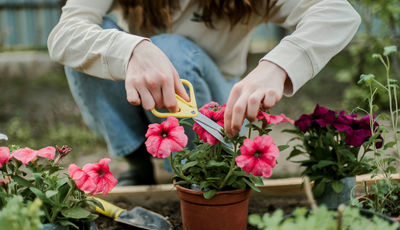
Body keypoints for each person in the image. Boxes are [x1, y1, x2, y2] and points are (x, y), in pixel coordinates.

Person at [48, 0, 361, 185]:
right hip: (140, 92)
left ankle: (191, 172)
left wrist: (277, 66)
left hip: (215, 101)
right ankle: (137, 163)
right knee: (86, 49)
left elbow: (338, 13)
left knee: (172, 50)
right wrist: (133, 48)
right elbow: (66, 34)